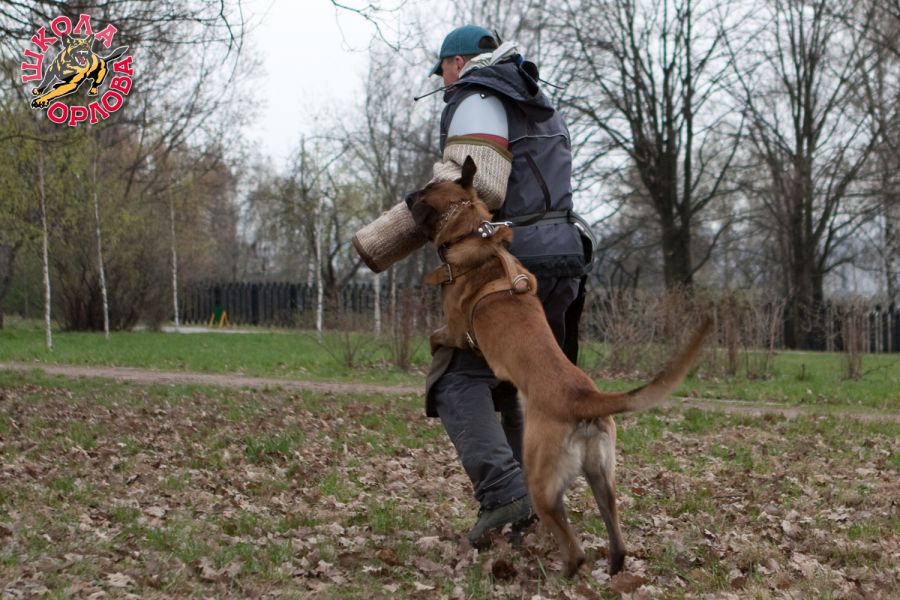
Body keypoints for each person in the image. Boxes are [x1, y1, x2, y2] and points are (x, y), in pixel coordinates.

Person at [421, 25, 592, 547]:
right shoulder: (535, 101)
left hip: (515, 263)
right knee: (520, 385)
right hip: (564, 258)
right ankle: (535, 507)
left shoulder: (477, 96)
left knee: (453, 377)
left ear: (457, 63)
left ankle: (503, 494)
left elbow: (486, 188)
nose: (443, 81)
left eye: (443, 69)